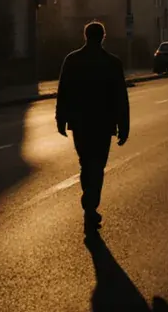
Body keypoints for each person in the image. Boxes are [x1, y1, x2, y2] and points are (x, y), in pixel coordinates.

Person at [55, 20, 130, 234]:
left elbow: (63, 92)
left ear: (85, 36)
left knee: (85, 163)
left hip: (80, 124)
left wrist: (60, 120)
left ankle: (89, 205)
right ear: (103, 37)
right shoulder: (112, 63)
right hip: (103, 124)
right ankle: (90, 205)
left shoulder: (72, 60)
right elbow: (120, 98)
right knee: (97, 166)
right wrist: (123, 126)